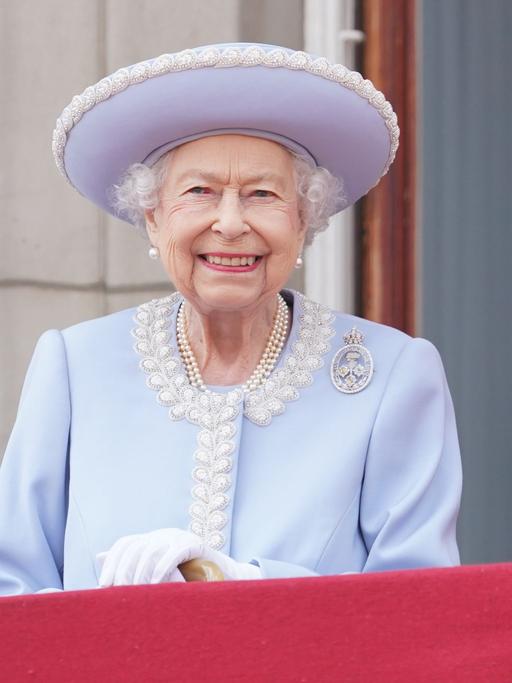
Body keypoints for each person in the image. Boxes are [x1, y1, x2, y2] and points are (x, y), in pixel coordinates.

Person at [0, 43, 462, 595]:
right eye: (199, 192)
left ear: (303, 219)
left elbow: (420, 606)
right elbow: (13, 590)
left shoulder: (394, 376)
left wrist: (246, 586)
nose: (229, 223)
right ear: (153, 218)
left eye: (262, 194)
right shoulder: (74, 366)